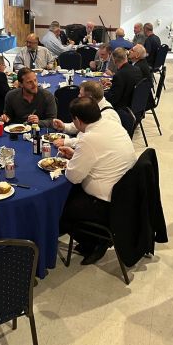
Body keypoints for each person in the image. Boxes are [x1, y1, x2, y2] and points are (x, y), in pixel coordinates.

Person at [57, 97, 136, 265]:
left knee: (60, 208)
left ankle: (94, 243)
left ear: (77, 120)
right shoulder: (113, 125)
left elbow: (73, 177)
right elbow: (102, 156)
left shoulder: (88, 139)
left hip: (104, 203)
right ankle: (93, 241)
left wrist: (71, 161)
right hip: (125, 191)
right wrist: (76, 156)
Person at [51, 81, 121, 148]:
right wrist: (64, 126)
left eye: (81, 94)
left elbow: (92, 142)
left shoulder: (108, 116)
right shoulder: (92, 107)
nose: (78, 96)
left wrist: (67, 142)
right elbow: (82, 125)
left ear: (89, 98)